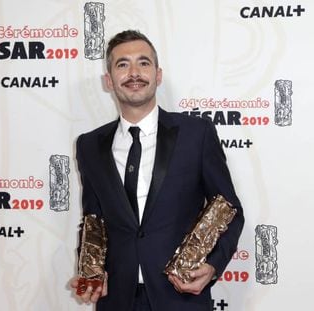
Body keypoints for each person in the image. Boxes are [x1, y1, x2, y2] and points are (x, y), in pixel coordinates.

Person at [70, 30, 244, 311]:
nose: (134, 72)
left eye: (144, 62)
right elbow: (93, 219)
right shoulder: (89, 145)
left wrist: (213, 266)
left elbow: (230, 209)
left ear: (158, 75)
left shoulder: (196, 134)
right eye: (122, 64)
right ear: (109, 80)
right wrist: (91, 271)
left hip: (181, 296)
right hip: (117, 300)